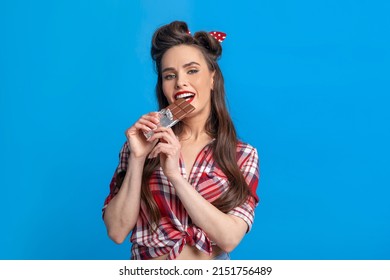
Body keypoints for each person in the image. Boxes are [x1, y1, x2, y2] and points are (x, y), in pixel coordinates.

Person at [102, 21, 260, 260]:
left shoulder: (242, 154)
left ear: (212, 78)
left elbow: (230, 238)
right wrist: (137, 158)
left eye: (192, 70)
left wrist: (175, 176)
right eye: (169, 75)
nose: (180, 82)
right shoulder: (141, 143)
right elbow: (116, 231)